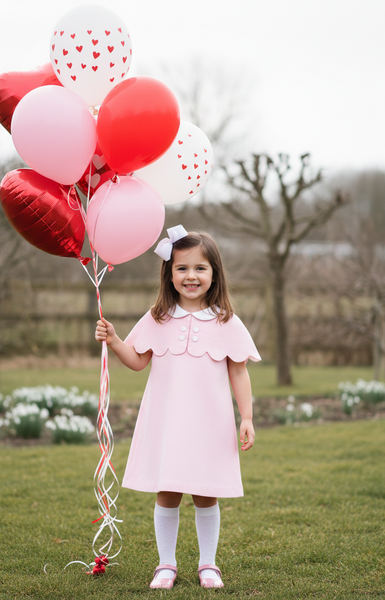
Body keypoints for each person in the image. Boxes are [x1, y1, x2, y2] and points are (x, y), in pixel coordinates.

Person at [95, 226, 261, 589]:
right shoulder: (158, 317)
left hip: (210, 422)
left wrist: (246, 416)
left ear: (214, 274)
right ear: (169, 274)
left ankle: (208, 564)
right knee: (167, 489)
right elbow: (138, 361)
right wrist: (116, 340)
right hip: (167, 420)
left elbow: (240, 373)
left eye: (200, 268)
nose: (191, 276)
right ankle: (166, 565)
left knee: (205, 490)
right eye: (182, 268)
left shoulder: (225, 321)